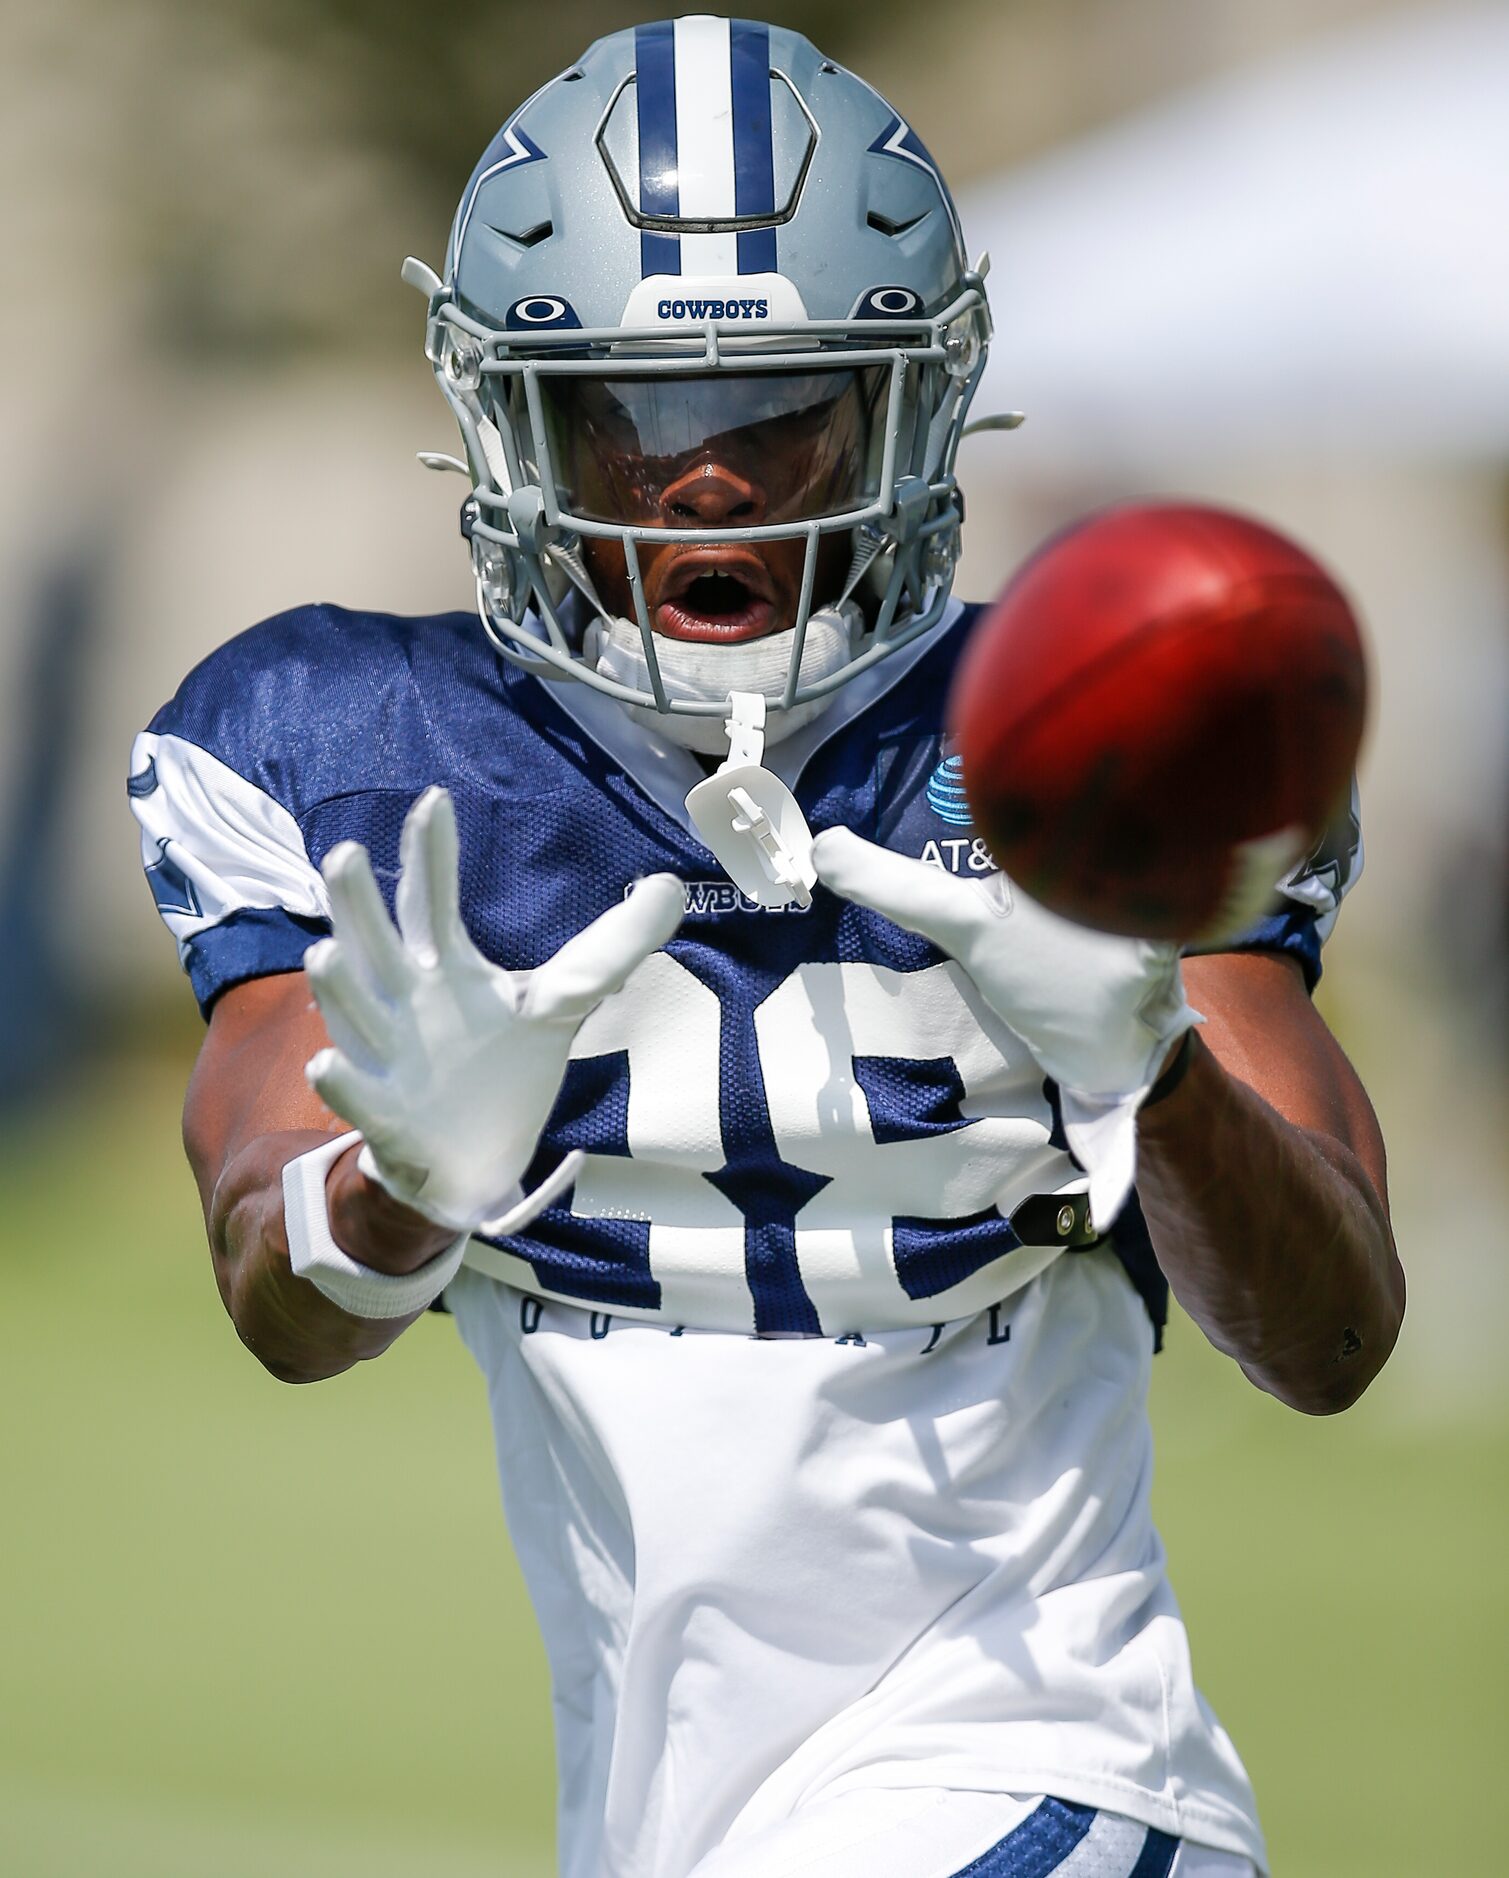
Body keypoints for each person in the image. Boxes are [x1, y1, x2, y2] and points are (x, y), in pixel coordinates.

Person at [129, 18, 1402, 1878]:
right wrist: (402, 1184)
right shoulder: (343, 745)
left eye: (777, 404)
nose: (706, 480)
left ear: (913, 402)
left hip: (1033, 1768)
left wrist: (1156, 1071)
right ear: (502, 418)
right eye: (631, 416)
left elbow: (1332, 1332)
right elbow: (279, 1294)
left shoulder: (1073, 737)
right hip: (686, 1814)